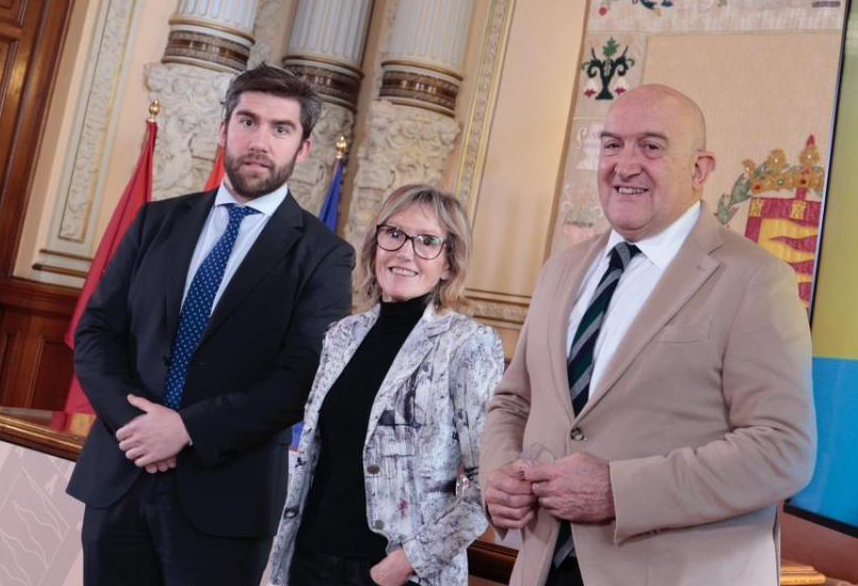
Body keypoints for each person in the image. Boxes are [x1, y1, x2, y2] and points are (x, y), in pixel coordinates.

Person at [479, 84, 815, 586]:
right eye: (612, 145)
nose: (625, 164)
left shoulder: (756, 280)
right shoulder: (561, 269)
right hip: (541, 566)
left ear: (700, 170)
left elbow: (782, 450)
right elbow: (513, 403)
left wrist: (619, 491)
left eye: (651, 147)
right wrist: (500, 473)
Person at [68, 65, 354, 586]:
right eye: (247, 121)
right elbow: (95, 334)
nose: (259, 141)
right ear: (224, 129)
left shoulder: (324, 256)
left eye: (280, 129)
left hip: (225, 502)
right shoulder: (158, 221)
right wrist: (136, 429)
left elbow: (302, 378)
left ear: (304, 149)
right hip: (121, 479)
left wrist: (185, 430)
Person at [267, 184, 504, 586]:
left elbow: (492, 483)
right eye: (393, 234)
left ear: (449, 263)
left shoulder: (468, 344)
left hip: (398, 572)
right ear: (375, 244)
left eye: (427, 241)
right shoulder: (342, 335)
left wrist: (407, 562)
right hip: (310, 559)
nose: (405, 252)